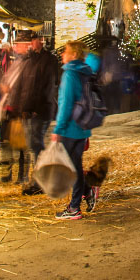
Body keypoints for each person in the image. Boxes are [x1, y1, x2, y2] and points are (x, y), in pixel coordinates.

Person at [3, 29, 59, 195]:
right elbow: (24, 86)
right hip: (29, 110)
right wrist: (20, 107)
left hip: (40, 110)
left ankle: (41, 181)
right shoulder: (29, 60)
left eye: (32, 41)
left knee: (36, 145)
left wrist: (35, 108)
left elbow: (46, 87)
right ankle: (37, 179)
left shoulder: (48, 60)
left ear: (39, 41)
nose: (30, 45)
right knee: (32, 144)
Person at [52, 40, 102, 220]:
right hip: (83, 126)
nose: (62, 55)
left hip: (71, 128)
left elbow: (65, 104)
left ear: (73, 55)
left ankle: (74, 207)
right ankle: (85, 192)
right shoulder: (85, 72)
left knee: (71, 168)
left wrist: (58, 128)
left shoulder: (70, 75)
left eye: (65, 52)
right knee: (75, 166)